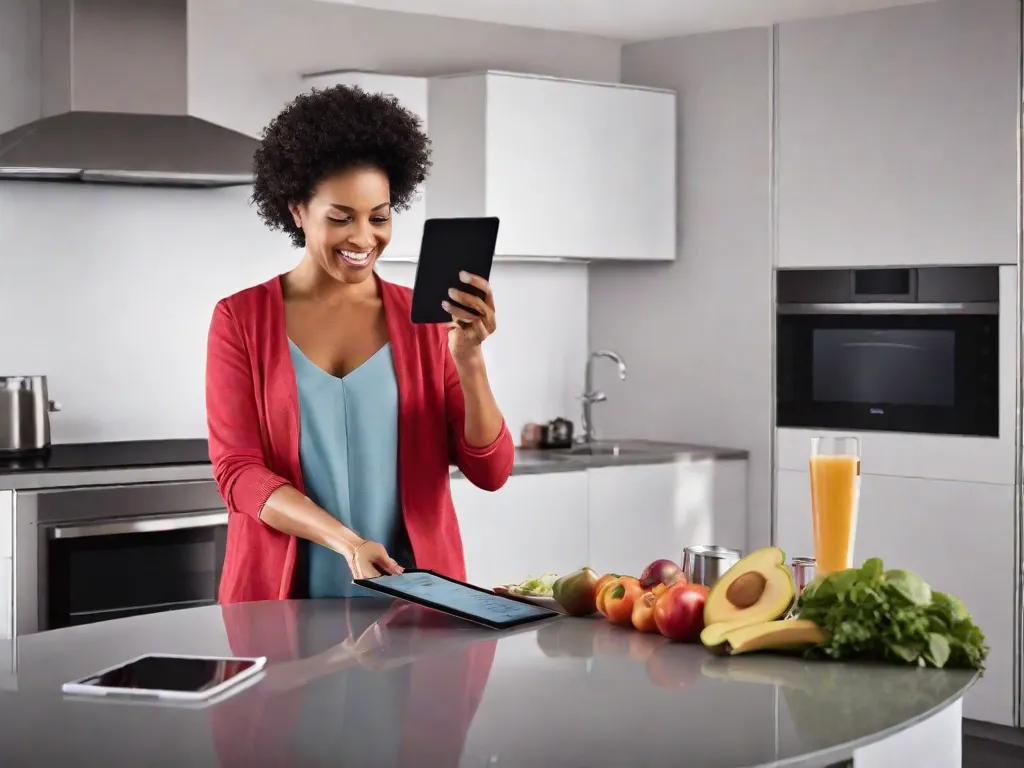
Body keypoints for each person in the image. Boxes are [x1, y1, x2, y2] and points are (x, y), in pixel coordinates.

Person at [206, 84, 515, 604]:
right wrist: (348, 545)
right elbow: (238, 474)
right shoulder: (240, 319)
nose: (364, 238)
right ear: (297, 210)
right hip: (283, 603)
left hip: (418, 599)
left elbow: (491, 471)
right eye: (341, 217)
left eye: (379, 216)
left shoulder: (425, 322)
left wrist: (470, 359)